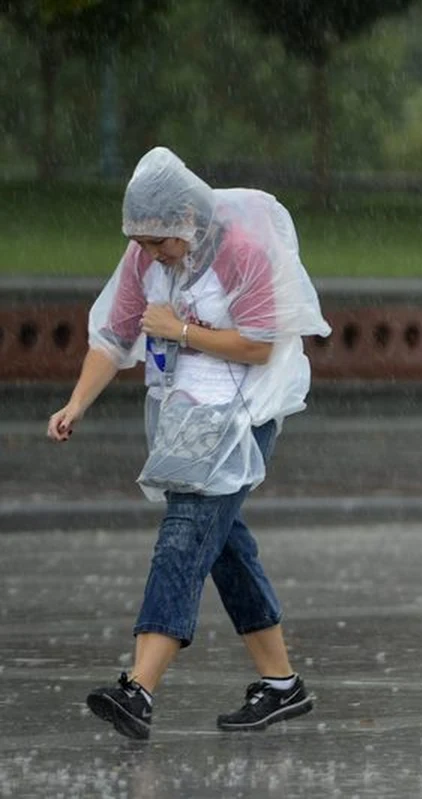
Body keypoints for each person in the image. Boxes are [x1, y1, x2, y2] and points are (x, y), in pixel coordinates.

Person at [47, 146, 331, 739]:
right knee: (222, 546)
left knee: (182, 539)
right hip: (184, 418)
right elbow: (114, 338)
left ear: (186, 217)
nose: (150, 253)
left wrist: (179, 329)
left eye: (158, 241)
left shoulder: (241, 252)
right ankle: (282, 685)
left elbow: (260, 345)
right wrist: (76, 403)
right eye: (141, 242)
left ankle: (139, 689)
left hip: (243, 417)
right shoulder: (145, 258)